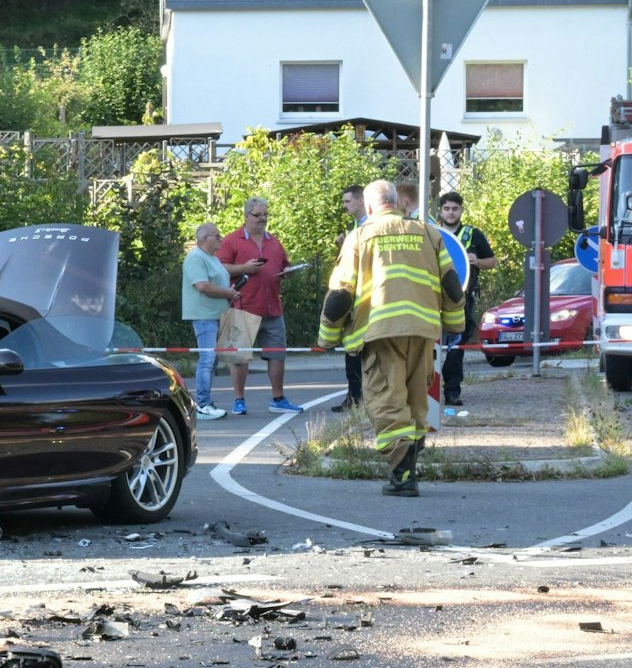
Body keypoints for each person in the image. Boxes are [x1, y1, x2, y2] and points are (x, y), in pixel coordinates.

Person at [318, 180, 465, 497]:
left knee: (387, 403)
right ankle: (410, 465)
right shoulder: (429, 233)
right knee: (415, 403)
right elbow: (452, 285)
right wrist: (454, 325)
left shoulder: (360, 236)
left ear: (369, 208)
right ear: (398, 203)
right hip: (424, 331)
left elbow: (341, 294)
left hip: (382, 333)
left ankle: (403, 476)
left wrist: (327, 336)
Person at [215, 196, 300, 413]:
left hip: (272, 307)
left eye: (265, 215)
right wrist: (244, 267)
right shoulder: (232, 240)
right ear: (246, 216)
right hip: (242, 306)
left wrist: (287, 273)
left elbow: (283, 265)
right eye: (258, 215)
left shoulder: (274, 241)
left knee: (277, 354)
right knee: (239, 356)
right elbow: (218, 269)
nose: (262, 219)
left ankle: (278, 399)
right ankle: (239, 400)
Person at [436, 191, 497, 407]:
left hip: (462, 299)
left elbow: (493, 262)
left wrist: (477, 261)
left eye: (455, 209)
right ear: (440, 210)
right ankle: (426, 392)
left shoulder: (473, 234)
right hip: (431, 298)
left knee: (456, 346)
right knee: (428, 346)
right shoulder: (430, 233)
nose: (451, 213)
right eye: (447, 209)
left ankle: (452, 391)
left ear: (461, 210)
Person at [182, 222, 238, 421]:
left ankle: (205, 402)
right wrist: (228, 293)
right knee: (207, 360)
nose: (221, 239)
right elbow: (202, 286)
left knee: (212, 360)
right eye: (217, 236)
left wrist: (228, 294)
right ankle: (203, 404)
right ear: (205, 238)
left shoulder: (212, 258)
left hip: (216, 315)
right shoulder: (196, 258)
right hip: (204, 316)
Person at [333, 184, 367, 413]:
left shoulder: (371, 226)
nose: (344, 206)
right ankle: (353, 396)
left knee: (364, 352)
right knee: (352, 351)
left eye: (347, 202)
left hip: (367, 298)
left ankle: (362, 398)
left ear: (361, 200)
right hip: (353, 298)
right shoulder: (354, 226)